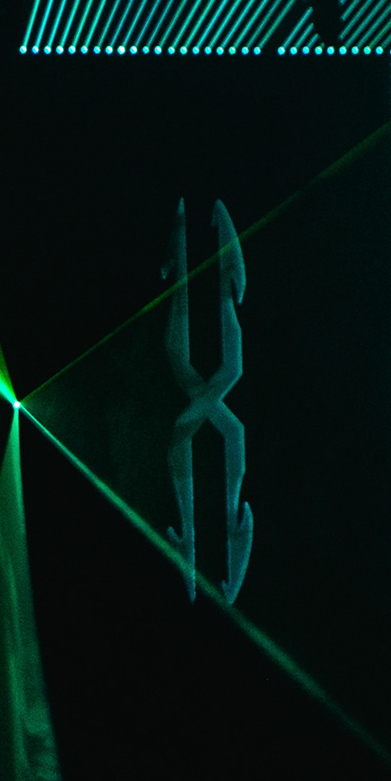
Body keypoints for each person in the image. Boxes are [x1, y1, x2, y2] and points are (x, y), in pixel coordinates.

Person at [165, 199, 254, 606]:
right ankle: (190, 543)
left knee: (226, 423)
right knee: (225, 423)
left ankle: (192, 544)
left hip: (204, 401)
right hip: (202, 401)